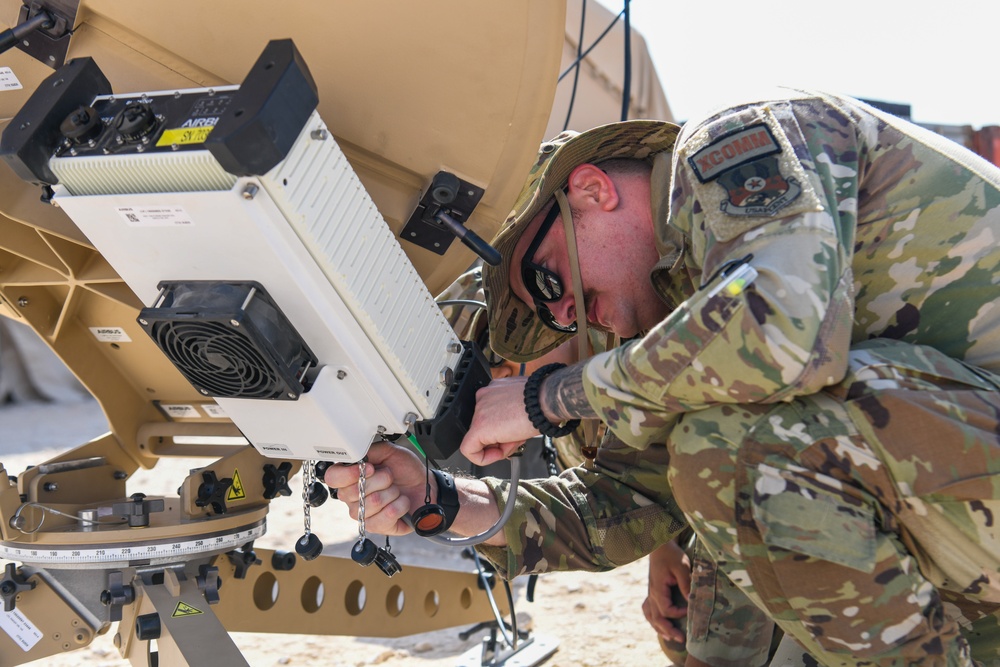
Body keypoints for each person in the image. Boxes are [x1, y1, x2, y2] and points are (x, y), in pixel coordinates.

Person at [329, 88, 1000, 665]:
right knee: (712, 493)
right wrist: (441, 500)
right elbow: (617, 498)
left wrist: (545, 396)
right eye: (551, 316)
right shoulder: (686, 317)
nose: (565, 313)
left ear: (591, 191)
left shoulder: (735, 143)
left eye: (546, 278)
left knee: (740, 448)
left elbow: (787, 332)